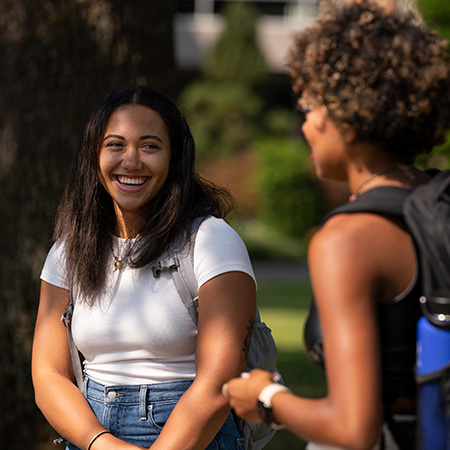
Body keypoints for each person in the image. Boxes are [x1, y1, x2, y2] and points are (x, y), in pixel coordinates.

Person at [223, 1, 450, 449]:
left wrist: (266, 396)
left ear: (346, 117)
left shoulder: (347, 240)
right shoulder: (439, 198)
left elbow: (353, 428)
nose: (305, 124)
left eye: (309, 105)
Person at [32, 86, 257, 450]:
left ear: (175, 158)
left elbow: (219, 383)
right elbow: (48, 374)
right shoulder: (68, 252)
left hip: (188, 434)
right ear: (94, 156)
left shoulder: (211, 241)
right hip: (90, 434)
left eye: (150, 146)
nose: (131, 161)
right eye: (115, 145)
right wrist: (101, 443)